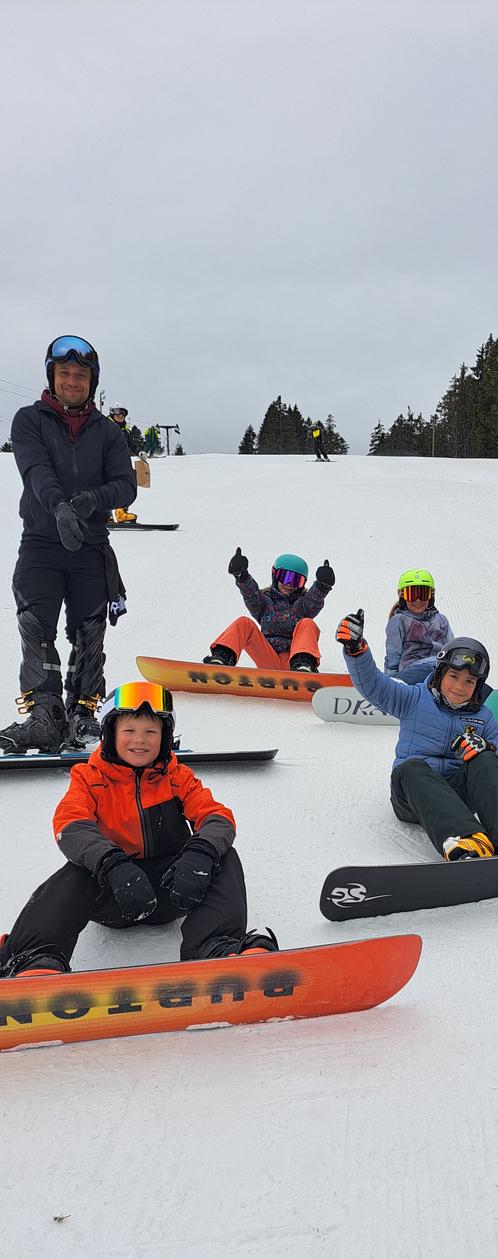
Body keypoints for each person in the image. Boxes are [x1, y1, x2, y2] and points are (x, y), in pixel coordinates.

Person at [0, 682, 278, 979]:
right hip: (114, 892)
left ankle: (219, 950)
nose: (140, 741)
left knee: (223, 854)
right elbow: (71, 824)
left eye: (150, 732)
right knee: (76, 870)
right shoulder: (89, 777)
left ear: (164, 737)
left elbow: (216, 816)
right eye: (129, 731)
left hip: (175, 889)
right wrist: (112, 864)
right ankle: (33, 960)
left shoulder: (176, 777)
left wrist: (199, 854)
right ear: (110, 735)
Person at [0, 336, 135, 755]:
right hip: (41, 542)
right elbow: (35, 469)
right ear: (52, 377)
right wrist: (58, 507)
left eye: (80, 374)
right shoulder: (28, 420)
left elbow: (126, 486)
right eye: (65, 373)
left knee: (89, 631)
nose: (72, 380)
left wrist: (93, 500)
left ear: (91, 382)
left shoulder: (109, 433)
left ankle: (83, 713)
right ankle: (44, 716)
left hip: (91, 545)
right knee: (36, 628)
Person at [335, 614, 498, 859]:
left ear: (478, 686)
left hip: (459, 798)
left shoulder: (485, 718)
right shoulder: (413, 698)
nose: (459, 687)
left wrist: (486, 749)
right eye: (454, 677)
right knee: (412, 768)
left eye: (469, 681)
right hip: (413, 797)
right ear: (440, 674)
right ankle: (465, 839)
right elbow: (374, 686)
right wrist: (356, 651)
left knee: (487, 759)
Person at [204, 551, 335, 673]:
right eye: (284, 577)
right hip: (267, 657)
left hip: (293, 661)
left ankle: (304, 666)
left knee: (307, 623)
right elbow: (251, 595)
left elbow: (314, 599)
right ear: (275, 576)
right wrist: (242, 576)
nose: (289, 584)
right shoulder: (265, 602)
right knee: (244, 622)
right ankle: (221, 659)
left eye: (296, 580)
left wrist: (321, 586)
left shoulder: (303, 605)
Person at [384, 568, 453, 685]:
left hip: (438, 668)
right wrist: (389, 683)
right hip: (411, 671)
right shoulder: (399, 621)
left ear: (431, 595)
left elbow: (450, 646)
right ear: (401, 595)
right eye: (412, 595)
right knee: (435, 666)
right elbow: (393, 654)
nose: (418, 600)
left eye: (422, 594)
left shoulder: (441, 619)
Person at [108, 407, 140, 523]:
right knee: (106, 485)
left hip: (122, 461)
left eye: (123, 414)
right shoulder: (105, 426)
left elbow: (131, 443)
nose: (121, 415)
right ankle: (105, 514)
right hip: (107, 461)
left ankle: (121, 512)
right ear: (112, 413)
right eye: (118, 413)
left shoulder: (124, 429)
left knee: (125, 484)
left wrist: (139, 452)